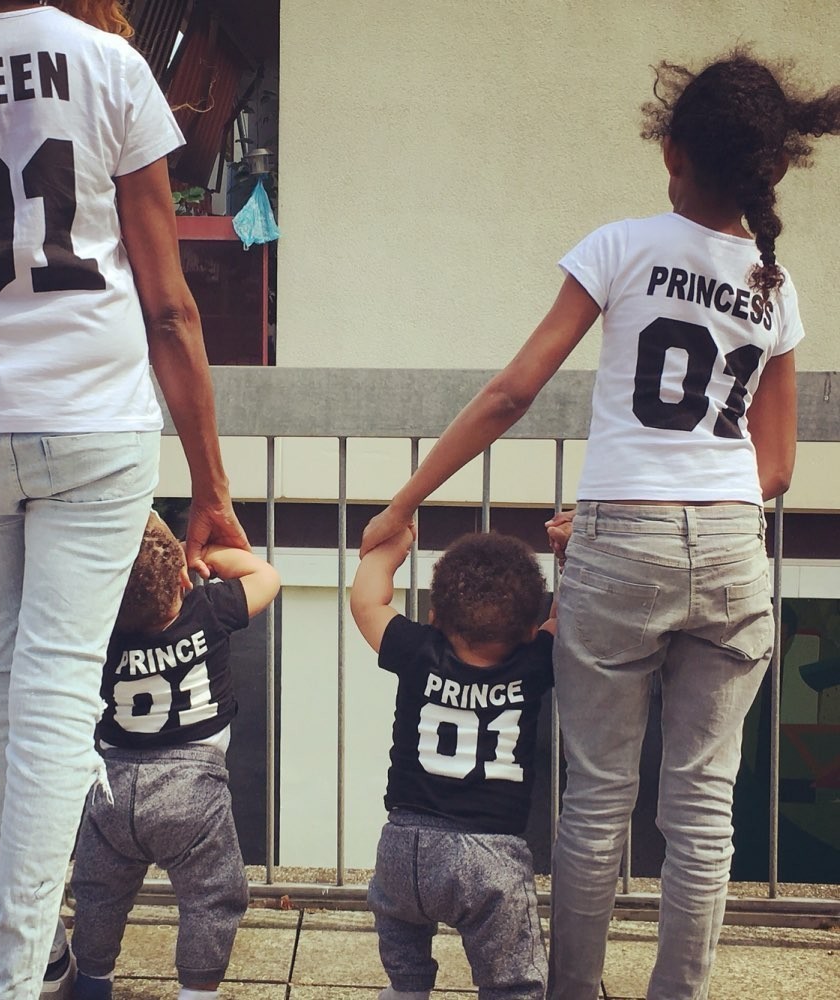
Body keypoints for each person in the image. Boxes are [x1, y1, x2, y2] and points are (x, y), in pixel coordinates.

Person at [359, 49, 840, 1000]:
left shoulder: (621, 247)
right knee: (702, 810)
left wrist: (405, 499)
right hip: (732, 549)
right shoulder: (774, 289)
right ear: (768, 169)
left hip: (621, 550)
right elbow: (777, 466)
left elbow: (512, 394)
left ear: (672, 152)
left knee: (598, 805)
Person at [0, 2, 249, 997]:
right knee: (59, 686)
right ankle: (14, 971)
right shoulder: (106, 63)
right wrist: (211, 484)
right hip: (90, 417)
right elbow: (169, 307)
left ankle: (35, 950)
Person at [68, 510, 280, 1000]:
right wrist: (205, 553)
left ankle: (93, 981)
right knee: (211, 896)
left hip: (112, 787)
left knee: (99, 893)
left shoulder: (97, 631)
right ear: (183, 579)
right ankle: (197, 992)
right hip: (191, 791)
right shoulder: (208, 609)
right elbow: (266, 576)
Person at [351, 529, 556, 1000]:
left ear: (434, 617)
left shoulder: (417, 650)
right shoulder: (536, 661)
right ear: (529, 629)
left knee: (402, 934)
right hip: (489, 856)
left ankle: (406, 989)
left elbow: (365, 603)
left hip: (405, 845)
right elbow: (563, 619)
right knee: (513, 978)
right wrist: (572, 557)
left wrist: (391, 548)